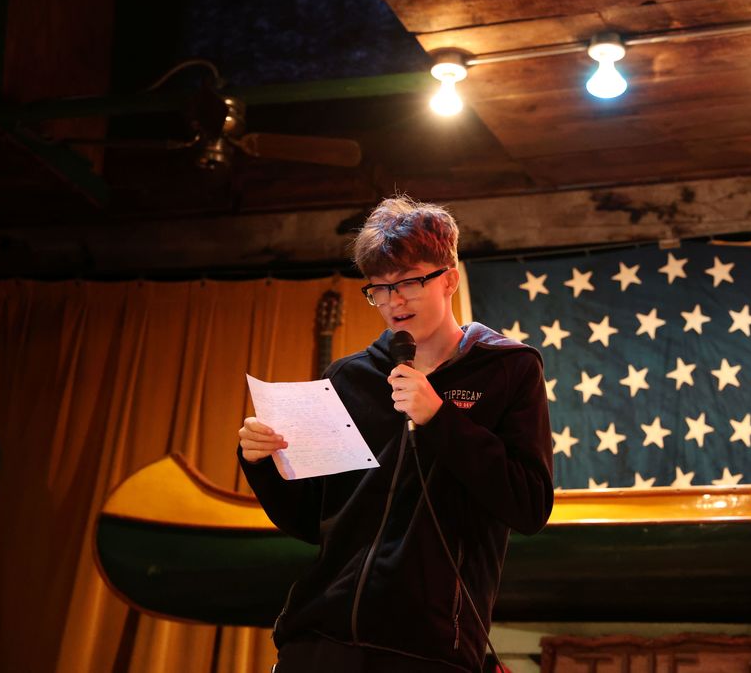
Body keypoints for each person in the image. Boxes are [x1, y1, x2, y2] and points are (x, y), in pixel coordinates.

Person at [237, 196, 554, 672]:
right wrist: (261, 464)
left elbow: (529, 506)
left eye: (408, 282)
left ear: (448, 279)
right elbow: (313, 522)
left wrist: (441, 419)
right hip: (319, 638)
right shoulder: (349, 377)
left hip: (429, 647)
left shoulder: (509, 368)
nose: (392, 301)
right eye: (379, 289)